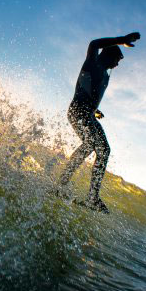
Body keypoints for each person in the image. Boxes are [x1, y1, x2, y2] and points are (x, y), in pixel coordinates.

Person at [57, 32, 141, 213]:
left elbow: (89, 92)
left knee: (95, 148)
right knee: (99, 148)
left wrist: (96, 111)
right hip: (78, 111)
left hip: (87, 113)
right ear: (109, 55)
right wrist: (121, 40)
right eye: (117, 59)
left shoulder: (104, 73)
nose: (118, 64)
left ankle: (69, 187)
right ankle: (89, 197)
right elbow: (94, 44)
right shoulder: (93, 63)